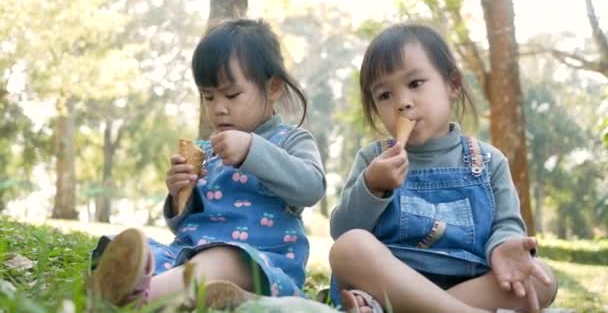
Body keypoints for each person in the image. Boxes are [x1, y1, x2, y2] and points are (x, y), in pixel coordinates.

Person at [88, 18, 327, 309]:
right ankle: (159, 287)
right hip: (192, 254)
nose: (219, 108)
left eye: (232, 94)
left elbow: (312, 187)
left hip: (260, 260)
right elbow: (187, 225)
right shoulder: (206, 151)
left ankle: (140, 299)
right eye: (208, 97)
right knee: (126, 244)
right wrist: (178, 195)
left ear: (273, 87)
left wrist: (252, 149)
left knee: (223, 258)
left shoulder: (289, 140)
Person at [328, 23, 558, 313]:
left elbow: (506, 223)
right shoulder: (372, 160)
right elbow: (342, 230)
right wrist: (372, 186)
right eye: (384, 95)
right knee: (349, 246)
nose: (402, 103)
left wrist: (504, 246)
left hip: (468, 281)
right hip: (392, 281)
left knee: (543, 279)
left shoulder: (489, 161)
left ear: (453, 85)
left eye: (415, 84)